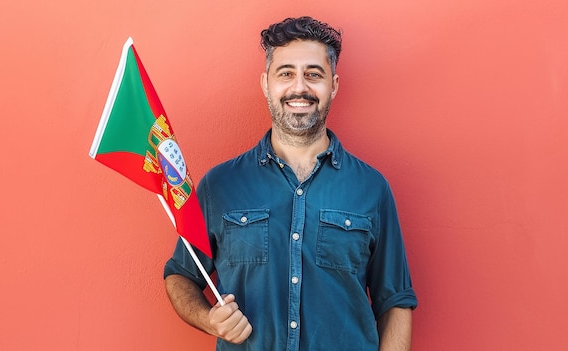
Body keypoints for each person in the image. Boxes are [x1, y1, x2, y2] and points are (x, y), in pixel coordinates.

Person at [164, 16, 418, 351]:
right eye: (286, 73)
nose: (299, 88)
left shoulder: (371, 189)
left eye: (314, 74)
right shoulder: (219, 185)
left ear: (334, 84)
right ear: (266, 83)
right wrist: (207, 318)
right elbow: (180, 274)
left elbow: (395, 300)